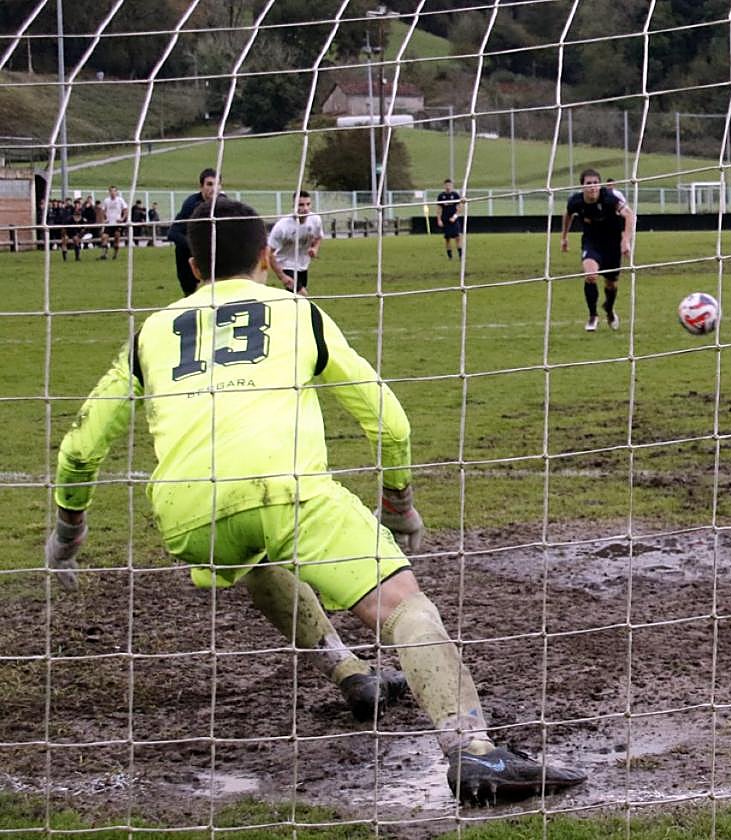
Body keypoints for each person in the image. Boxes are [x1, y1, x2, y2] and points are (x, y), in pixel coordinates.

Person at [42, 197, 586, 804]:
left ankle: (351, 674)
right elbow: (390, 421)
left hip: (189, 514)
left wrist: (68, 530)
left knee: (257, 555)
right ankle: (474, 753)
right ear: (268, 257)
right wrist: (398, 501)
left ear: (192, 268)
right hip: (288, 492)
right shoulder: (299, 314)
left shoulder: (149, 333)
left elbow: (81, 447)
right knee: (402, 606)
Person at [560, 169, 635, 332]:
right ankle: (593, 316)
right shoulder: (576, 201)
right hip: (591, 242)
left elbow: (629, 215)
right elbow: (567, 214)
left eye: (595, 183)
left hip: (612, 243)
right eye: (588, 183)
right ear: (582, 186)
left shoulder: (609, 199)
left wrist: (625, 240)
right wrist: (564, 237)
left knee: (611, 284)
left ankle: (609, 310)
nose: (593, 187)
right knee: (590, 276)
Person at [167, 168, 221, 296]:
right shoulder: (191, 204)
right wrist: (196, 248)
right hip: (187, 253)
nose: (213, 188)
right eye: (209, 184)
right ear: (201, 186)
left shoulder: (224, 203)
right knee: (190, 293)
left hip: (213, 252)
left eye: (217, 184)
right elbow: (173, 233)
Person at [267, 190, 324, 296]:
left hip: (303, 265)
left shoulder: (315, 219)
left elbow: (318, 237)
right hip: (285, 265)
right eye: (301, 205)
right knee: (302, 295)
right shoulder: (282, 226)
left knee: (295, 299)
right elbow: (269, 252)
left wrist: (315, 248)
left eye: (308, 204)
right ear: (294, 205)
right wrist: (282, 276)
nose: (305, 208)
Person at [98, 185, 129, 259]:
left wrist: (122, 218)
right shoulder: (106, 200)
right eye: (111, 191)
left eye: (114, 191)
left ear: (116, 192)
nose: (112, 193)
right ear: (109, 192)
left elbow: (126, 209)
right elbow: (102, 211)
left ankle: (115, 255)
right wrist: (104, 219)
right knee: (104, 237)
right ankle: (104, 254)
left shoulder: (120, 200)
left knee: (116, 238)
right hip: (109, 223)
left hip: (117, 223)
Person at [435, 178, 463, 260]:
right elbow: (439, 208)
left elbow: (460, 207)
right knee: (447, 239)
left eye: (449, 185)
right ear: (444, 186)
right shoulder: (441, 196)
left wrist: (455, 217)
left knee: (457, 237)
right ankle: (450, 256)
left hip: (453, 219)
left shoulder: (455, 195)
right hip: (445, 219)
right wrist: (439, 219)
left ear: (452, 186)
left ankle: (460, 255)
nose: (448, 186)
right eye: (446, 185)